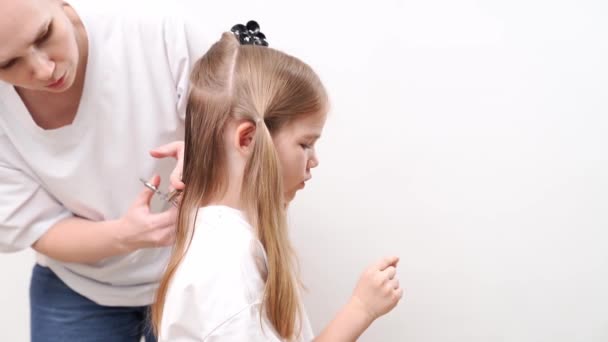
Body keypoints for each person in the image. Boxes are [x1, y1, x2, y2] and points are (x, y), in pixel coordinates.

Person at [152, 26, 404, 341]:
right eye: (305, 144)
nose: (314, 160)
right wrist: (360, 309)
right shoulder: (228, 270)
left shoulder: (224, 244)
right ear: (248, 139)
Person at [0, 0, 208, 340]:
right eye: (7, 63)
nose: (43, 69)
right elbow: (40, 229)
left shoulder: (157, 31)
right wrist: (126, 235)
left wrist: (210, 154)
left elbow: (251, 130)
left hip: (197, 268)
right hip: (80, 285)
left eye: (44, 35)